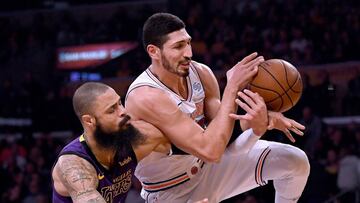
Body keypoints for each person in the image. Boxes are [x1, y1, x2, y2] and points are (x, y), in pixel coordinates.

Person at [125, 13, 310, 203]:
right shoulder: (146, 96)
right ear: (154, 51)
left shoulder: (201, 73)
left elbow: (223, 139)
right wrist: (232, 87)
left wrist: (258, 123)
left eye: (188, 43)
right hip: (172, 191)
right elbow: (210, 150)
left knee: (295, 161)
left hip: (208, 167)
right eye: (178, 46)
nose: (188, 52)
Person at [51, 82, 208, 203]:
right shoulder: (73, 165)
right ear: (89, 121)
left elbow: (200, 144)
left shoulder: (134, 139)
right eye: (112, 110)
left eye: (120, 103)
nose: (123, 112)